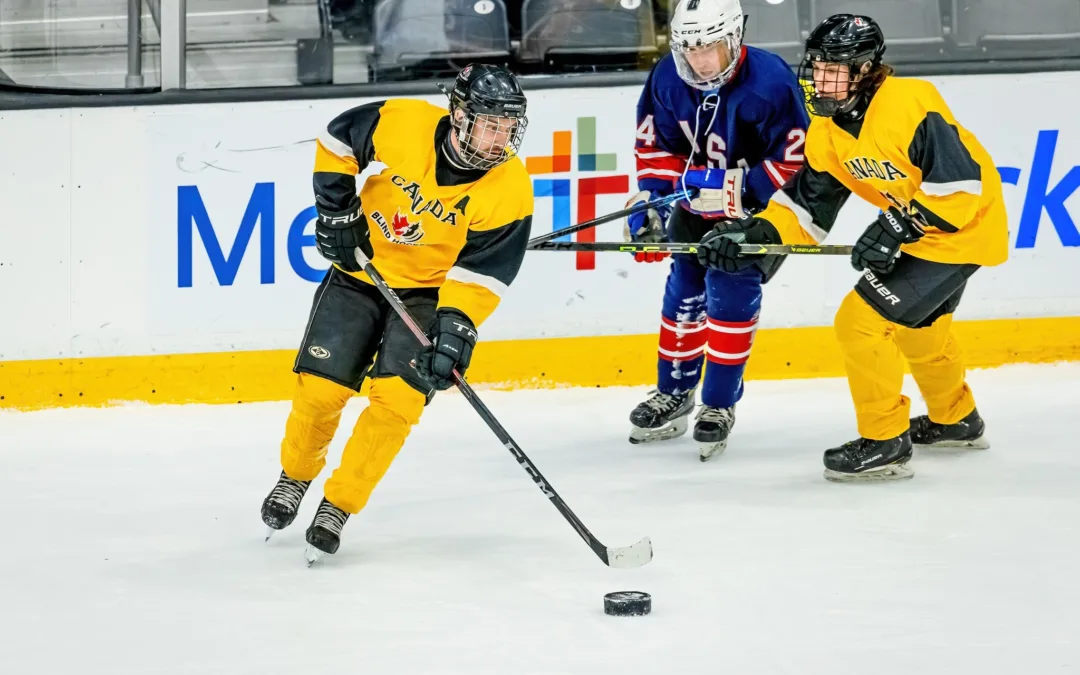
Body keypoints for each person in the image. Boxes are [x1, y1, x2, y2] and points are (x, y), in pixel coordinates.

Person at [695, 14, 1008, 481]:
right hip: (925, 233)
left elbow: (963, 187)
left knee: (859, 323)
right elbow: (808, 207)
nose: (821, 78)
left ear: (865, 70)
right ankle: (955, 419)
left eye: (834, 68)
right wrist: (753, 237)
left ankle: (885, 440)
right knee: (919, 329)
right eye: (817, 66)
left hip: (962, 231)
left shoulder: (910, 103)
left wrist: (899, 224)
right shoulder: (828, 130)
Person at [259, 64, 534, 560]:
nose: (500, 139)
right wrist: (338, 212)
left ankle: (339, 504)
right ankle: (295, 475)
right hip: (362, 274)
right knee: (320, 391)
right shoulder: (403, 122)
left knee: (398, 404)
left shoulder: (510, 190)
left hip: (429, 296)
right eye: (490, 124)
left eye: (509, 127)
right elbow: (337, 140)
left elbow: (481, 277)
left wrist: (455, 330)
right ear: (459, 116)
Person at [624, 0, 809, 461]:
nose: (698, 60)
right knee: (684, 290)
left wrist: (740, 191)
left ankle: (719, 404)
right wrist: (651, 200)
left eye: (708, 47)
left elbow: (799, 160)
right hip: (694, 204)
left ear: (733, 38)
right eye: (688, 48)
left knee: (729, 290)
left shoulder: (770, 82)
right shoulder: (667, 76)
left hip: (759, 216)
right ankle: (674, 391)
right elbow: (656, 146)